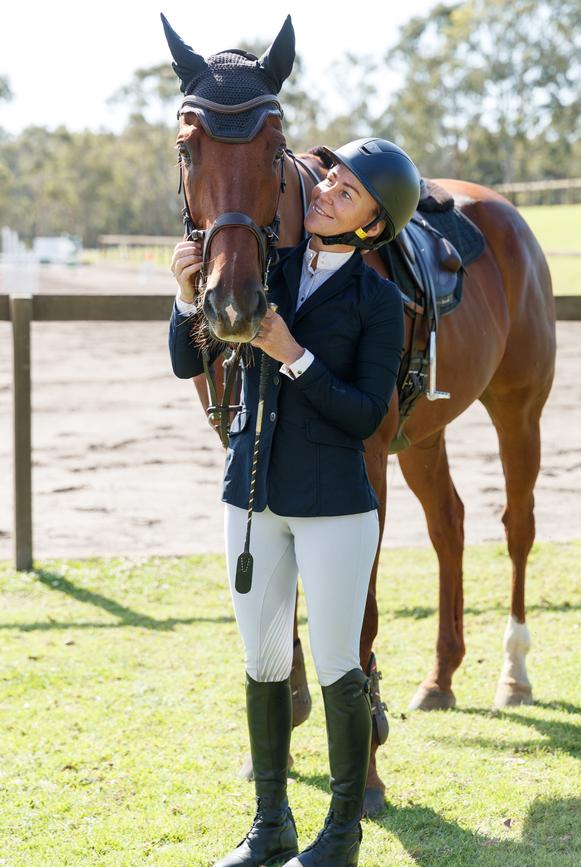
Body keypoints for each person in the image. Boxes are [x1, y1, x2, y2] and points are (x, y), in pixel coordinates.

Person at [169, 138, 420, 867]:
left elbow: (367, 410)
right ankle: (270, 825)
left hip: (337, 507)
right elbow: (189, 359)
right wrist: (185, 297)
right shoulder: (264, 270)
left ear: (373, 225)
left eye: (348, 194)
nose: (326, 191)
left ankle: (341, 835)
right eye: (331, 179)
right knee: (263, 663)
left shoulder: (380, 300)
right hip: (250, 499)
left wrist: (294, 355)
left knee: (341, 667)